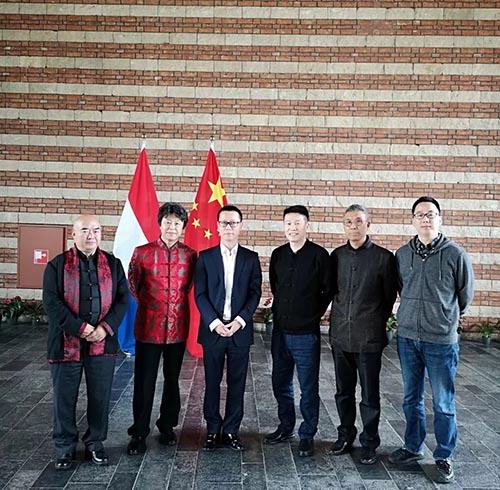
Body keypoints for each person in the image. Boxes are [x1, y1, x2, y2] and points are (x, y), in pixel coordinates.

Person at [389, 196, 474, 484]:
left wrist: (444, 319)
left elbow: (464, 296)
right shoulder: (402, 254)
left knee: (443, 402)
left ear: (440, 219)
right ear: (412, 220)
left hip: (440, 341)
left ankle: (444, 456)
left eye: (431, 214)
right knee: (411, 398)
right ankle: (412, 446)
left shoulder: (455, 254)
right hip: (408, 338)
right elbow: (401, 288)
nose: (425, 219)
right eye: (420, 215)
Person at [43, 215, 128, 470]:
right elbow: (51, 303)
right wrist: (80, 328)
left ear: (101, 234)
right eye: (84, 230)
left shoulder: (113, 264)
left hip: (102, 343)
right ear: (73, 234)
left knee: (100, 397)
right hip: (65, 344)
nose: (91, 235)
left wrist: (104, 328)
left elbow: (122, 300)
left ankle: (95, 443)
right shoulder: (57, 266)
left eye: (96, 230)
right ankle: (65, 447)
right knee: (64, 398)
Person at [328, 204, 398, 465]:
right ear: (344, 226)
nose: (353, 226)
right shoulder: (337, 256)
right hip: (340, 336)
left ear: (368, 224)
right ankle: (345, 435)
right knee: (343, 392)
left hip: (368, 337)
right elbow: (332, 291)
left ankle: (369, 442)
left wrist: (373, 321)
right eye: (349, 222)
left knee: (369, 395)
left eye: (358, 221)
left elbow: (389, 297)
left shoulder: (384, 258)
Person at [127, 203, 197, 455]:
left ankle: (167, 426)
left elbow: (189, 286)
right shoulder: (142, 253)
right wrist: (154, 307)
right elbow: (133, 285)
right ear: (160, 224)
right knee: (144, 382)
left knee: (172, 379)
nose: (172, 227)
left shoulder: (190, 255)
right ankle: (139, 432)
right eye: (168, 222)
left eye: (177, 223)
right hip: (148, 327)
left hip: (177, 327)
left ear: (183, 227)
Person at [265, 205, 331, 457]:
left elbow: (327, 290)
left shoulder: (319, 255)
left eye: (297, 223)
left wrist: (312, 315)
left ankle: (307, 433)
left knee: (308, 386)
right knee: (280, 382)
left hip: (306, 334)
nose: (292, 228)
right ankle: (286, 426)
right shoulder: (278, 254)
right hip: (280, 332)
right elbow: (276, 286)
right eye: (288, 223)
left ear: (307, 225)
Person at [195, 205, 262, 451]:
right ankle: (213, 429)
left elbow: (255, 293)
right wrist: (214, 323)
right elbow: (200, 294)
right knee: (212, 382)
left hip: (239, 332)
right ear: (217, 227)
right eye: (224, 223)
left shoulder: (251, 258)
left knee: (237, 383)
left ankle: (232, 429)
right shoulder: (205, 257)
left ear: (241, 226)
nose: (229, 227)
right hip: (213, 331)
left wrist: (240, 321)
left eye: (233, 223)